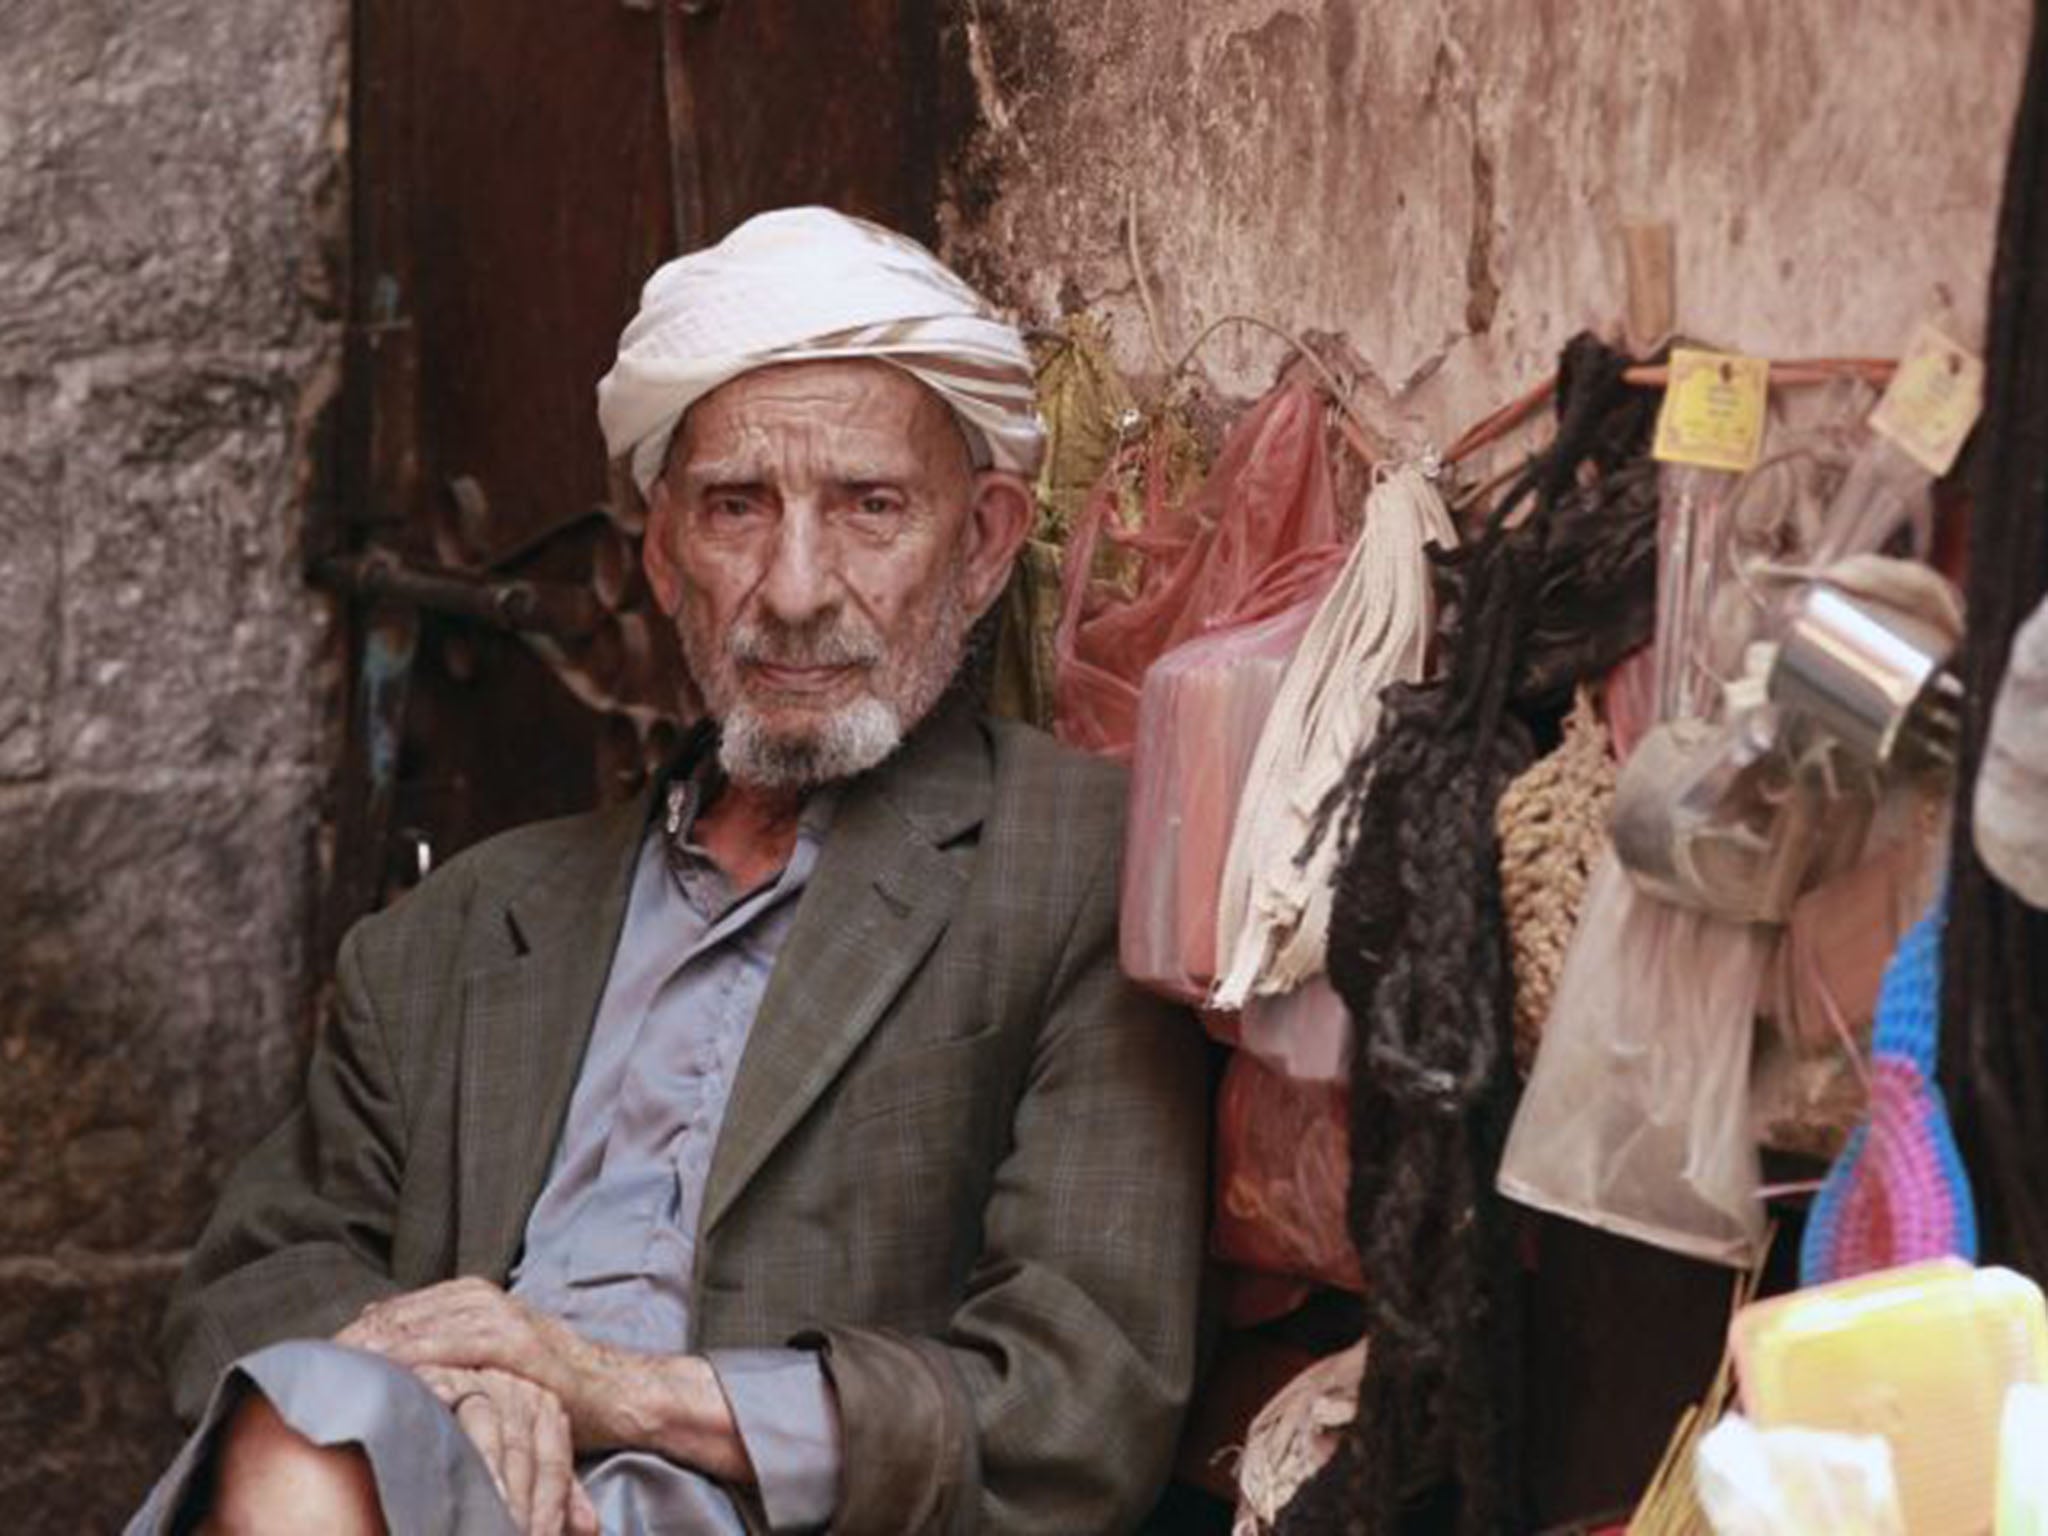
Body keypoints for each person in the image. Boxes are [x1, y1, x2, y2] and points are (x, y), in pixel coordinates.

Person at [127, 208, 1209, 1536]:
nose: (799, 586)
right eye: (738, 508)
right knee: (312, 1433)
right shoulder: (459, 929)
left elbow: (1074, 1407)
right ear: (661, 554)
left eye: (870, 506)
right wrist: (434, 1382)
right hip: (421, 1496)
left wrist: (617, 1393)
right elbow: (250, 1281)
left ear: (982, 543)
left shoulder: (1079, 861)